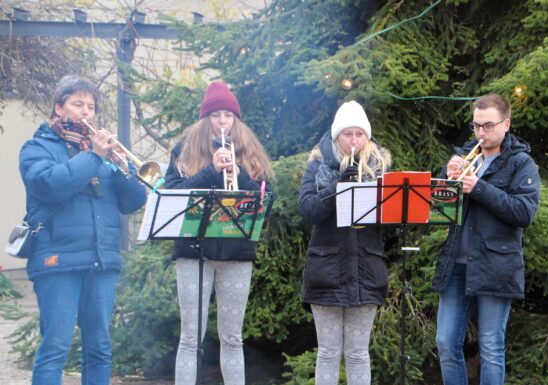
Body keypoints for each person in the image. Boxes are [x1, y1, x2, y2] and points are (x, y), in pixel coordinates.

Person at [18, 75, 147, 385]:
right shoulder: (37, 147)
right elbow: (49, 185)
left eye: (91, 106)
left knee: (100, 348)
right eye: (78, 104)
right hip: (57, 259)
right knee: (55, 347)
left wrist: (124, 169)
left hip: (101, 259)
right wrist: (94, 157)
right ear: (58, 107)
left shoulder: (102, 153)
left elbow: (132, 201)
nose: (85, 112)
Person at [165, 80, 275, 385]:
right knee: (190, 337)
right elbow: (173, 195)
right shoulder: (183, 151)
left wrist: (238, 173)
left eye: (228, 115)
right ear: (205, 119)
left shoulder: (250, 153)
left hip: (236, 253)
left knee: (232, 337)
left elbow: (266, 202)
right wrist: (211, 171)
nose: (222, 121)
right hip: (193, 253)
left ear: (235, 119)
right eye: (216, 115)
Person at [433, 93, 541, 385]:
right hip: (457, 261)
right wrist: (448, 179)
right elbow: (440, 211)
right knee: (445, 342)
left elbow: (524, 213)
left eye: (488, 125)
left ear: (506, 125)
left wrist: (479, 188)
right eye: (476, 126)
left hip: (496, 262)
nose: (481, 133)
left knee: (491, 346)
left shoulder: (521, 163)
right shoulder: (466, 156)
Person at [298, 100, 392, 385]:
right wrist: (337, 185)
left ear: (367, 136)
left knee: (358, 353)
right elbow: (308, 211)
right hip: (326, 269)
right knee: (327, 352)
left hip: (366, 269)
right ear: (336, 135)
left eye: (359, 134)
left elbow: (389, 221)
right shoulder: (317, 165)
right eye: (347, 134)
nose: (354, 141)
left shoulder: (380, 167)